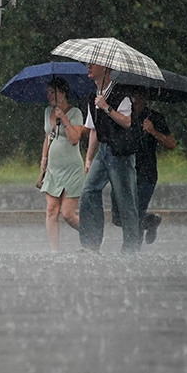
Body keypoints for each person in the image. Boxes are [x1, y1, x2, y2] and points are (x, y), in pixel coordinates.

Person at [79, 63, 141, 254]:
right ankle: (90, 244)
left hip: (121, 153)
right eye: (87, 63)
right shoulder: (93, 96)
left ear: (106, 68)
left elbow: (127, 122)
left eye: (93, 64)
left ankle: (131, 247)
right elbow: (93, 130)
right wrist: (89, 158)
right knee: (88, 192)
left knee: (125, 200)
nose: (88, 66)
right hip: (103, 152)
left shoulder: (121, 95)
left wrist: (106, 107)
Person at [110, 90, 176, 244]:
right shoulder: (123, 116)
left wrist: (153, 131)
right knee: (118, 218)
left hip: (146, 174)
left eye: (137, 97)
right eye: (131, 97)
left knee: (136, 216)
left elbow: (171, 144)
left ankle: (132, 251)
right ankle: (151, 221)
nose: (134, 100)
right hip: (124, 172)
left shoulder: (154, 117)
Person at [37, 78, 84, 251]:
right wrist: (43, 161)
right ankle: (54, 252)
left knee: (68, 214)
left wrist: (63, 117)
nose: (49, 95)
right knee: (51, 210)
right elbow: (47, 137)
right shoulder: (47, 111)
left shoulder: (75, 112)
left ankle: (91, 235)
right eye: (48, 92)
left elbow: (74, 139)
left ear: (63, 93)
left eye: (53, 92)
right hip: (53, 169)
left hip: (71, 169)